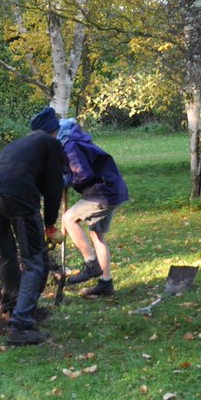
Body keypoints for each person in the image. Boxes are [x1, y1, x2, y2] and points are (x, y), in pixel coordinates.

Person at [0, 107, 67, 346]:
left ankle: (9, 307)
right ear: (54, 131)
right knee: (35, 261)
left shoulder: (16, 146)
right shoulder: (51, 144)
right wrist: (49, 223)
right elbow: (53, 188)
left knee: (7, 254)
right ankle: (21, 325)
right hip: (17, 199)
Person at [58, 118, 129, 298]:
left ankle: (91, 264)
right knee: (97, 235)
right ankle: (106, 283)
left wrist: (67, 180)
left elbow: (83, 174)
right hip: (112, 190)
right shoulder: (76, 142)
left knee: (68, 219)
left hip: (103, 193)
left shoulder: (70, 146)